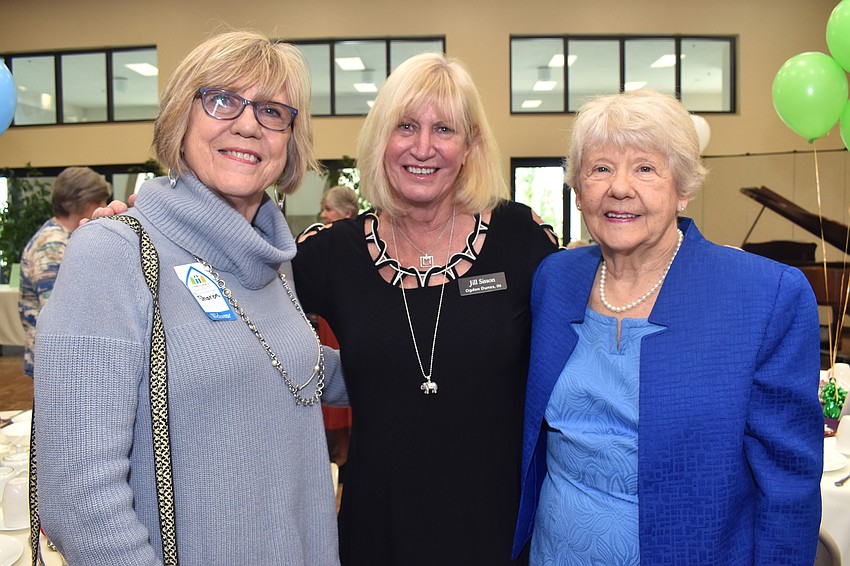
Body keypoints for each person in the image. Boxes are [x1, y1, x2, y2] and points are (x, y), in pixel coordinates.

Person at [33, 30, 346, 566]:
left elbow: (293, 374)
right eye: (222, 99)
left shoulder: (273, 261)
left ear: (290, 140)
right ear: (182, 118)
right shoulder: (112, 252)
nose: (247, 124)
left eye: (272, 110)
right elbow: (79, 499)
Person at [512, 89, 823, 565]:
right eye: (599, 168)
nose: (619, 187)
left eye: (645, 167)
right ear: (578, 190)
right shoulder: (555, 280)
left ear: (684, 187)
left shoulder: (764, 296)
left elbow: (787, 489)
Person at [293, 52, 560, 565]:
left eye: (444, 129)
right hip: (378, 530)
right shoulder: (331, 252)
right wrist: (140, 238)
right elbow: (238, 299)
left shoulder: (520, 238)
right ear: (380, 139)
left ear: (470, 146)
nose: (422, 147)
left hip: (499, 529)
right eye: (406, 126)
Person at [18, 166, 110, 378]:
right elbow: (57, 313)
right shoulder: (53, 246)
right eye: (99, 202)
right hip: (56, 363)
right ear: (82, 203)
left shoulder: (66, 238)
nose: (103, 207)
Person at [298, 185, 360, 468]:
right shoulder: (319, 244)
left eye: (328, 209)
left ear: (347, 213)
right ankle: (341, 454)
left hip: (342, 330)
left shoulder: (358, 247)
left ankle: (347, 456)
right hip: (325, 329)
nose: (322, 215)